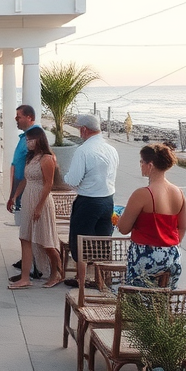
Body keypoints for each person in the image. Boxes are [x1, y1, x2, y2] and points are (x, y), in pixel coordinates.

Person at [117, 144, 186, 289]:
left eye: (142, 162)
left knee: (139, 301)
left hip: (147, 255)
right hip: (172, 254)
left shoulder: (142, 194)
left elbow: (123, 228)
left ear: (150, 165)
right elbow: (183, 226)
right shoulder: (178, 192)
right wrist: (166, 244)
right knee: (162, 301)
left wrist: (119, 218)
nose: (140, 165)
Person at [63, 113, 119, 288]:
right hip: (108, 199)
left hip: (88, 200)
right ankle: (100, 279)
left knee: (81, 239)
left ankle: (81, 279)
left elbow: (73, 180)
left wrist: (65, 178)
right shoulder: (112, 149)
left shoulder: (84, 150)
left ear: (84, 129)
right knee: (103, 238)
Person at [8, 126, 63, 289]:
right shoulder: (30, 158)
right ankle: (25, 277)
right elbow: (25, 179)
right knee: (24, 237)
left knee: (46, 240)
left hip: (42, 199)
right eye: (27, 140)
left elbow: (48, 184)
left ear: (39, 140)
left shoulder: (47, 158)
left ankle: (56, 272)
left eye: (31, 140)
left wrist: (39, 207)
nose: (28, 143)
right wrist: (14, 196)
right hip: (28, 198)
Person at [6, 105, 43, 281]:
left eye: (19, 116)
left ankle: (34, 267)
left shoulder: (34, 136)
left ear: (29, 117)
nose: (16, 119)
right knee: (24, 230)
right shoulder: (24, 136)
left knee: (28, 231)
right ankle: (28, 263)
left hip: (29, 189)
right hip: (21, 188)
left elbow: (34, 166)